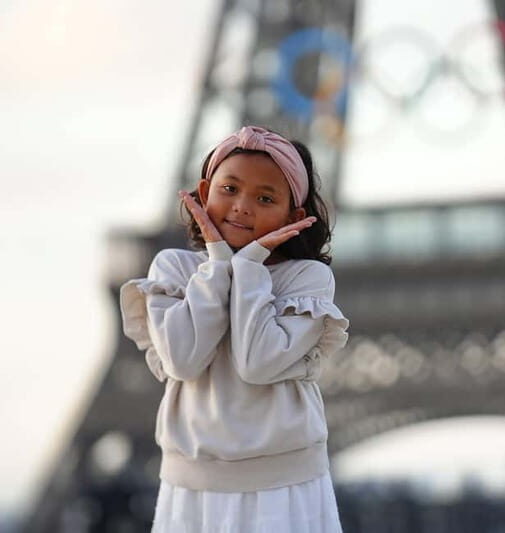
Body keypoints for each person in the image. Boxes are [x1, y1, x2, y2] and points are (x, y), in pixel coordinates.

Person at [119, 125, 349, 532]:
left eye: (265, 198)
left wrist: (247, 268)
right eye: (230, 189)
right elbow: (183, 359)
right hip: (192, 487)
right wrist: (219, 266)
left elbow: (258, 363)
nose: (242, 206)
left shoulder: (306, 279)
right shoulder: (173, 268)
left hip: (285, 486)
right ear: (204, 191)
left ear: (294, 217)